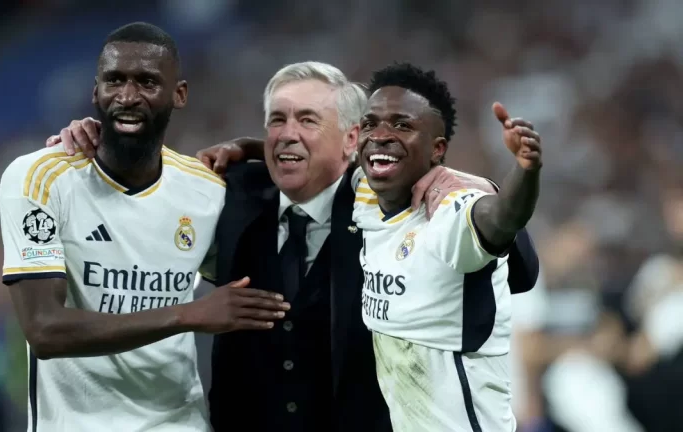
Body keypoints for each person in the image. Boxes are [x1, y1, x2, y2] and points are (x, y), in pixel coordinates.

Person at [49, 61, 540, 432]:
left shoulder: (390, 205)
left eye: (307, 120)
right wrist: (97, 143)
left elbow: (519, 266)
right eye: (276, 120)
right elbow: (138, 195)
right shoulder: (230, 193)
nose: (286, 134)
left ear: (353, 140)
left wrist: (483, 185)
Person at [0, 22, 288, 432]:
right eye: (114, 80)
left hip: (179, 422)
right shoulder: (39, 177)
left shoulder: (206, 189)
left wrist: (258, 146)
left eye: (147, 82)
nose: (128, 97)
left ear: (179, 94)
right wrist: (188, 314)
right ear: (94, 91)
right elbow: (44, 329)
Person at [346, 62, 541, 431]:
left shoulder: (448, 213)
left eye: (402, 125)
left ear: (437, 149)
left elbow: (499, 219)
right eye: (371, 123)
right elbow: (321, 163)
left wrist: (525, 170)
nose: (381, 135)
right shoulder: (365, 195)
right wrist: (255, 148)